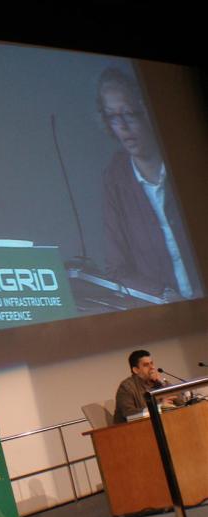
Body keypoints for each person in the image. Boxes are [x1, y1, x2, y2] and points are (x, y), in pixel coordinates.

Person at [97, 67, 200, 300]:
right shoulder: (115, 178)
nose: (122, 126)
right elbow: (117, 269)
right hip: (170, 312)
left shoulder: (187, 156)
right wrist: (162, 294)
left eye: (128, 113)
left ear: (146, 111)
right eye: (112, 116)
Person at [114, 349, 182, 424]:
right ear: (136, 370)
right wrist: (159, 407)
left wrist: (163, 384)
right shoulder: (126, 387)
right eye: (146, 365)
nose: (152, 367)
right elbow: (128, 413)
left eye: (152, 363)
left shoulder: (159, 382)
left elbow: (181, 403)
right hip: (133, 428)